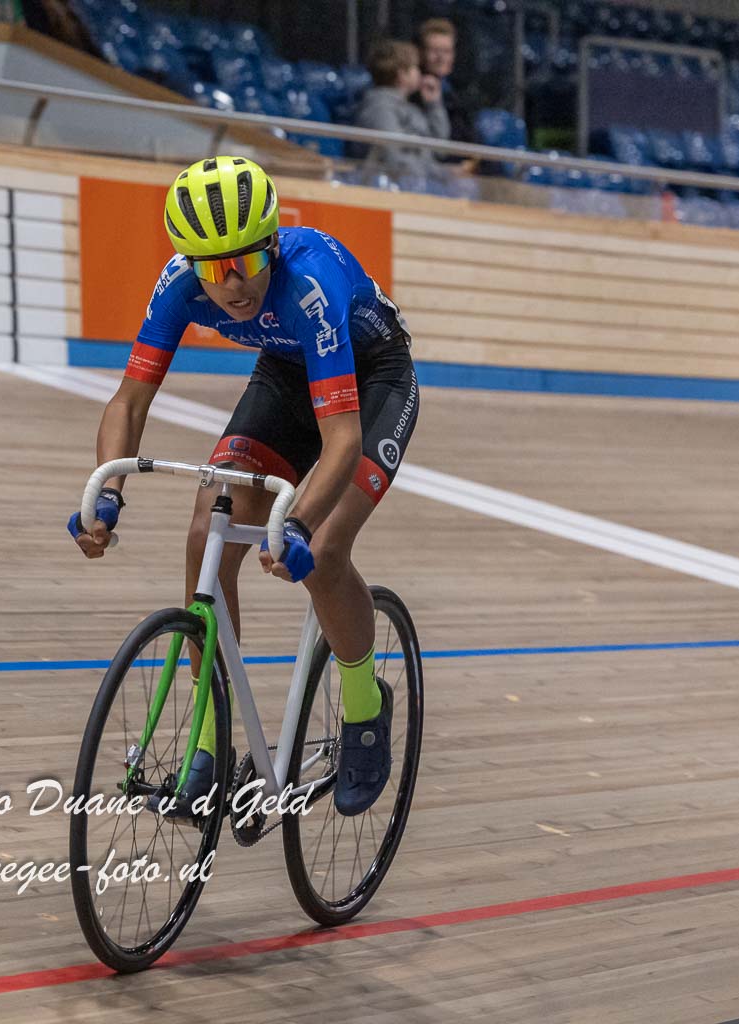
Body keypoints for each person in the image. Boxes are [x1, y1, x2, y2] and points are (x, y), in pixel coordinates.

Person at [67, 156, 420, 819]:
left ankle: (365, 710)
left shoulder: (307, 283)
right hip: (286, 375)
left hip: (372, 380)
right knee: (207, 530)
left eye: (245, 262)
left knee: (324, 550)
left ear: (272, 244)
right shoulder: (180, 284)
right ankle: (209, 742)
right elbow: (129, 401)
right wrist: (104, 493)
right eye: (213, 268)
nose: (230, 283)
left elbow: (342, 442)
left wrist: (298, 523)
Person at [355, 39, 449, 184]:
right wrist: (440, 174)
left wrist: (434, 105)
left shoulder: (411, 108)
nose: (420, 73)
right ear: (402, 75)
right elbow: (393, 158)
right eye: (415, 68)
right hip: (392, 187)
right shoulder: (379, 108)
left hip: (422, 182)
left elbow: (439, 150)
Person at [414, 18, 473, 146]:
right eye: (434, 51)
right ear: (421, 53)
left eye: (447, 51)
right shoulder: (411, 91)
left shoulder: (458, 94)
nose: (441, 58)